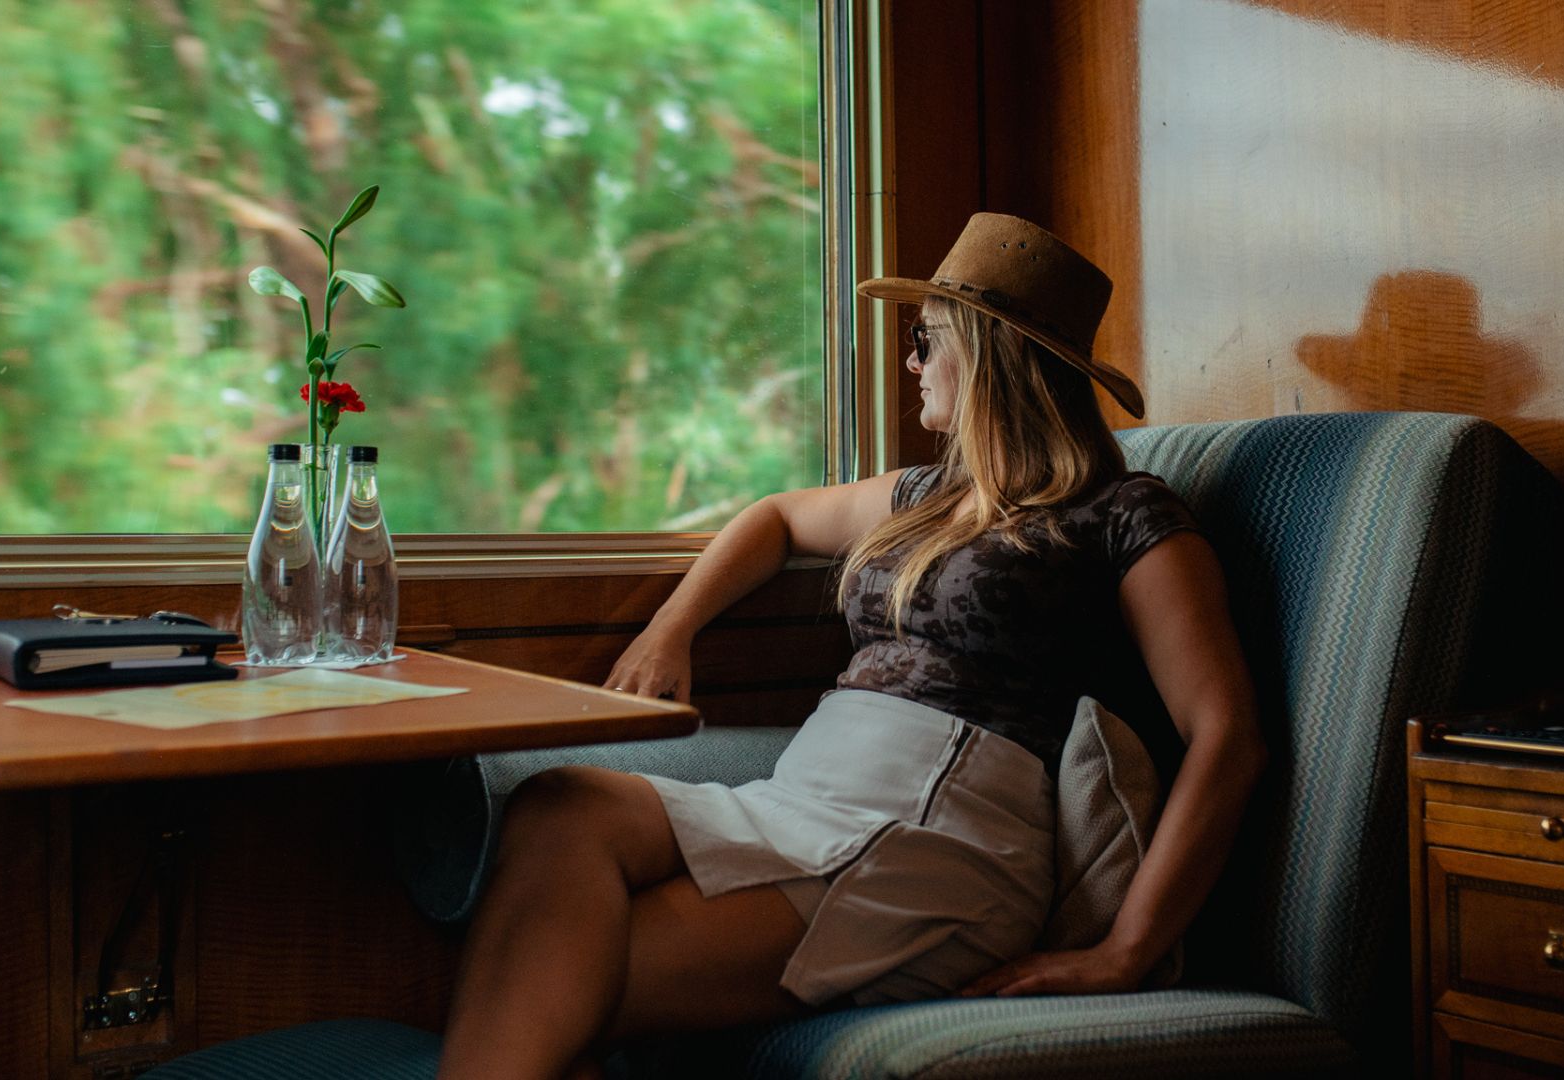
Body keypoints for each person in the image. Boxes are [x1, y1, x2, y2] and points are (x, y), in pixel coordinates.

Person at [436, 214, 1266, 1080]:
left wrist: (1127, 948)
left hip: (945, 836)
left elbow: (1227, 733)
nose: (910, 363)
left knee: (555, 980)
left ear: (990, 356)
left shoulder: (1124, 514)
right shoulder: (923, 494)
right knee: (562, 802)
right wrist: (666, 632)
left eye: (924, 340)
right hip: (809, 793)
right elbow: (777, 516)